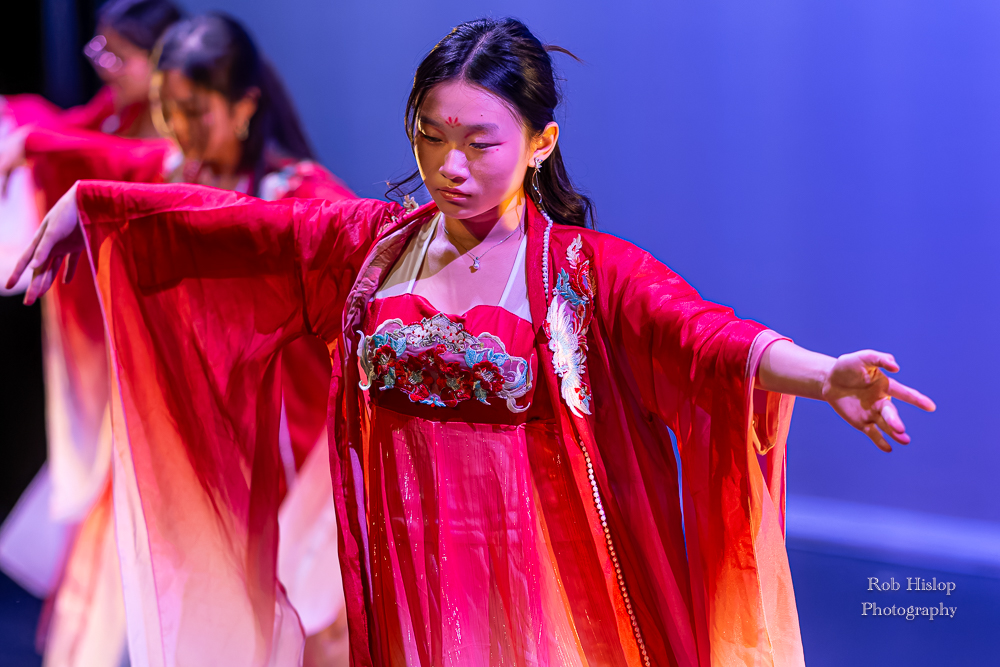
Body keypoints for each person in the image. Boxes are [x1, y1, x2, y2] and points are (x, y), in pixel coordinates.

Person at [8, 16, 935, 667]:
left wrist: (823, 374)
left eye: (481, 143)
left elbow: (702, 336)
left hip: (534, 579)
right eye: (430, 136)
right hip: (406, 572)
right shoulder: (369, 247)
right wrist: (96, 207)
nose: (450, 166)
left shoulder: (580, 272)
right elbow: (234, 229)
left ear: (540, 143)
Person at [0, 13, 353, 667]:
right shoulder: (172, 168)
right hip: (203, 437)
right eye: (167, 110)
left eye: (194, 111)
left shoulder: (297, 195)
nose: (178, 128)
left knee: (300, 625)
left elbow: (360, 249)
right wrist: (32, 148)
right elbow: (107, 160)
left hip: (286, 443)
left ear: (244, 106)